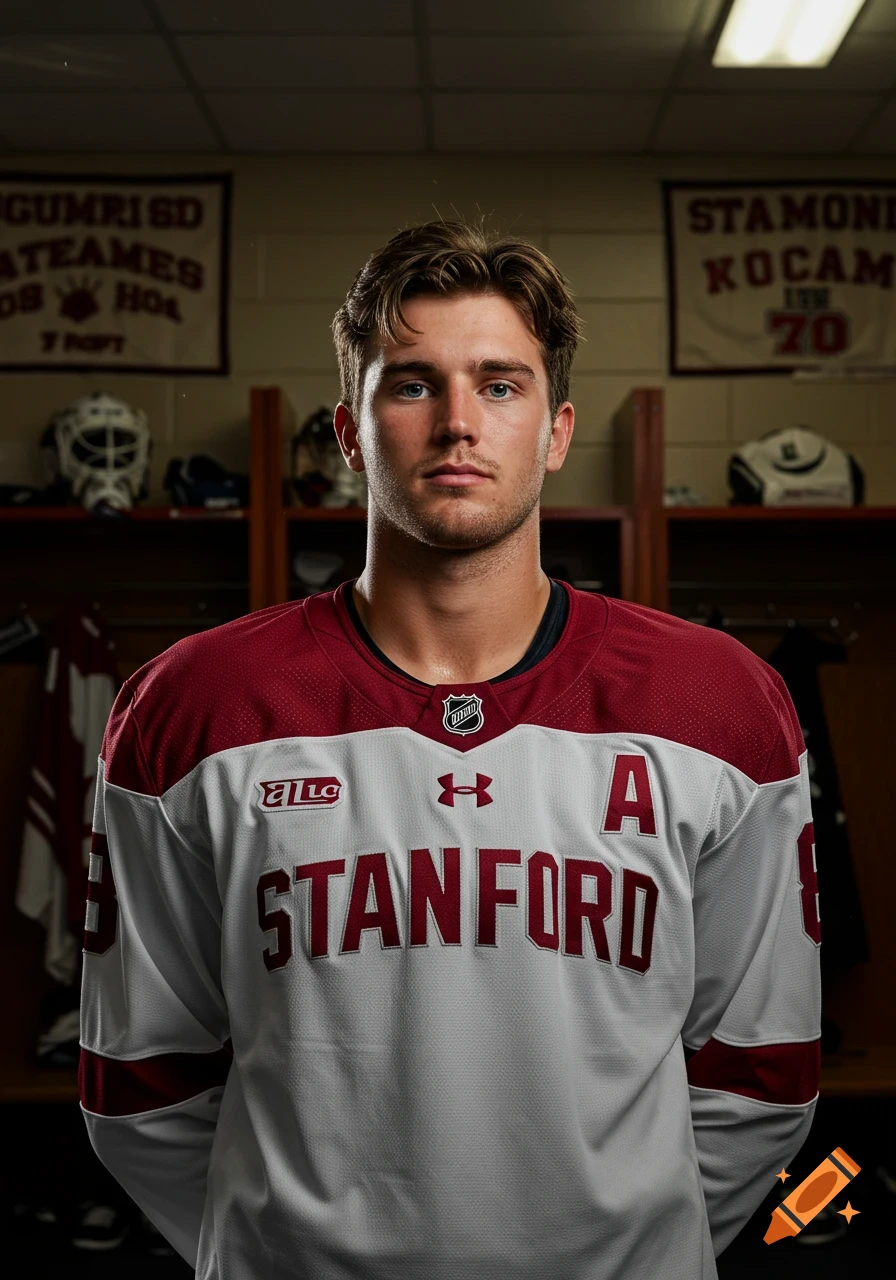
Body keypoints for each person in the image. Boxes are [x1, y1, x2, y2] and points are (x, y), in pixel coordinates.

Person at [79, 221, 821, 1280]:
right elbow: (140, 1080)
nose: (459, 423)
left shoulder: (720, 704)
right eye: (412, 383)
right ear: (348, 430)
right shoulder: (191, 706)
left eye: (501, 384)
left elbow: (759, 1076)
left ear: (556, 429)